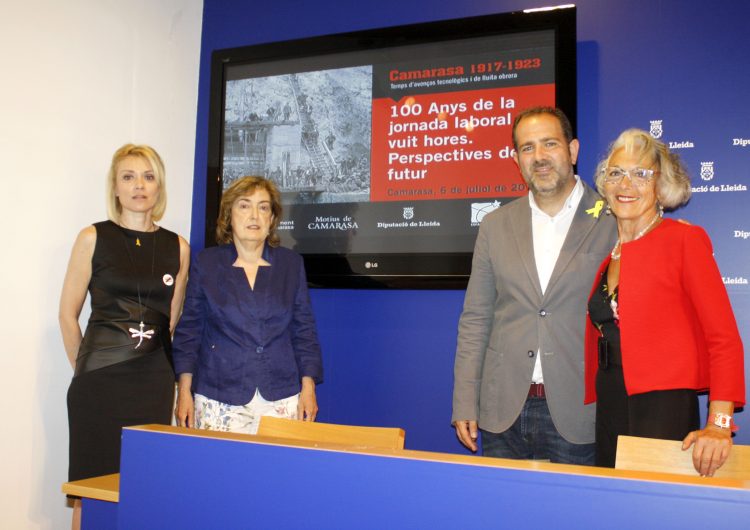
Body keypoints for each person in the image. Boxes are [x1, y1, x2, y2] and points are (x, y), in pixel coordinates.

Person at [452, 107, 617, 464]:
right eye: (527, 148)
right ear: (516, 159)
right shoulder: (494, 226)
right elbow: (476, 319)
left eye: (549, 144)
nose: (539, 157)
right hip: (503, 412)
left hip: (578, 413)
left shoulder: (612, 219)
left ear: (572, 151)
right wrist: (465, 399)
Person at [585, 129, 745, 474]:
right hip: (611, 401)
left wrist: (718, 423)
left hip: (662, 407)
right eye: (616, 173)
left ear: (662, 185)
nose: (625, 184)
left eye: (640, 174)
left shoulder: (684, 241)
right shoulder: (609, 256)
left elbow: (724, 340)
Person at [60, 144, 190, 527]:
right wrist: (87, 369)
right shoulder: (92, 237)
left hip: (151, 385)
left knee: (143, 489)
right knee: (89, 492)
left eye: (148, 177)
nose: (139, 186)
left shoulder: (178, 247)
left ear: (159, 187)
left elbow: (171, 320)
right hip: (98, 386)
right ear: (115, 187)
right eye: (128, 177)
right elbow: (68, 316)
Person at [172, 176, 323, 434]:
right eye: (244, 205)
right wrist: (184, 390)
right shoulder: (207, 263)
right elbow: (190, 331)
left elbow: (303, 330)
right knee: (223, 472)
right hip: (219, 393)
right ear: (228, 215)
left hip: (281, 394)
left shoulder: (290, 264)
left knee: (278, 472)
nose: (254, 215)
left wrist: (308, 387)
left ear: (272, 219)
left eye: (263, 207)